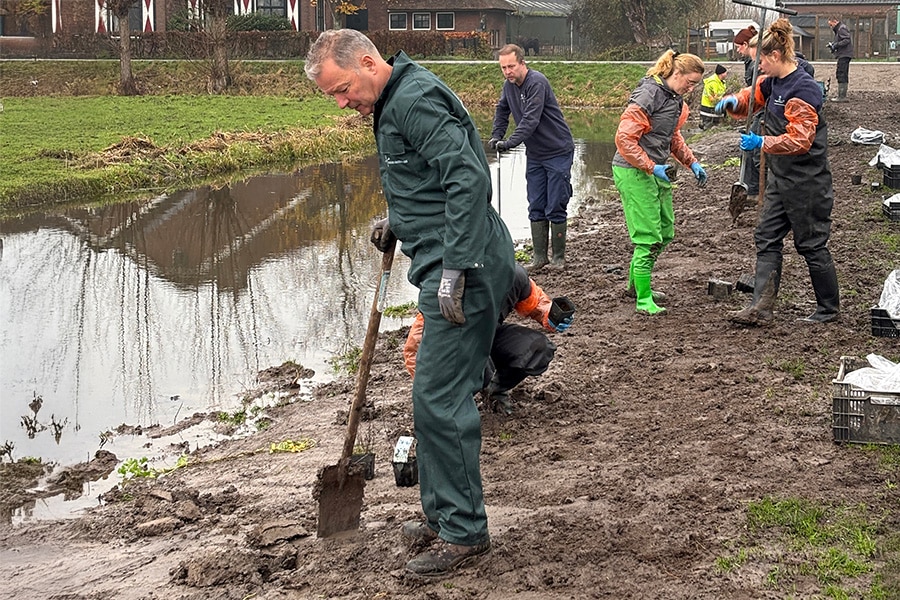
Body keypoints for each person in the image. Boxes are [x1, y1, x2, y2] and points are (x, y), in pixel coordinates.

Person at [305, 29, 516, 576]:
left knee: (439, 397)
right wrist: (397, 220)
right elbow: (427, 180)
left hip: (463, 266)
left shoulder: (414, 100)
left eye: (343, 88)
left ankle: (464, 532)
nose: (341, 102)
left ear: (370, 62)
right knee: (432, 392)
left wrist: (455, 269)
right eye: (333, 95)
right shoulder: (394, 98)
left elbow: (468, 177)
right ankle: (443, 516)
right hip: (445, 257)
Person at [716, 18, 839, 326]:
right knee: (766, 236)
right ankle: (761, 307)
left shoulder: (803, 90)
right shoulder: (773, 82)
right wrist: (735, 102)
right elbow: (753, 96)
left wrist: (762, 141)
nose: (759, 70)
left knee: (811, 243)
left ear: (773, 56)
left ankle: (828, 308)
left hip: (806, 181)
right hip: (780, 179)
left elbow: (800, 139)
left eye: (762, 62)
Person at [400, 264, 574, 415]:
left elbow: (536, 304)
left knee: (539, 348)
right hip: (456, 346)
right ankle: (462, 399)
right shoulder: (452, 286)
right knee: (474, 362)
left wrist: (550, 315)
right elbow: (416, 347)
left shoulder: (513, 275)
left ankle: (495, 389)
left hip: (490, 336)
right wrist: (430, 393)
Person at [611, 49, 708, 316]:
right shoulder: (648, 95)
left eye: (695, 85)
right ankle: (643, 299)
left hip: (656, 169)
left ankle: (635, 286)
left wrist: (692, 162)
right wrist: (651, 167)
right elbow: (624, 140)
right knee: (648, 237)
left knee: (666, 232)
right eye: (689, 82)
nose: (691, 89)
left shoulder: (673, 97)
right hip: (634, 171)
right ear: (676, 73)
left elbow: (671, 135)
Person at [489, 44, 575, 271]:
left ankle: (558, 258)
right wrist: (496, 135)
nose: (507, 72)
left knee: (555, 202)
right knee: (536, 202)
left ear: (522, 63)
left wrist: (510, 142)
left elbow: (530, 120)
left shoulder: (537, 82)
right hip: (535, 154)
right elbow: (501, 111)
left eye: (511, 66)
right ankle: (539, 258)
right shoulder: (508, 87)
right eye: (503, 67)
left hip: (558, 150)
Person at [827, 17, 853, 102]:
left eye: (831, 25)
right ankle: (841, 95)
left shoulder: (841, 29)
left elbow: (846, 40)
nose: (831, 27)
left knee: (841, 73)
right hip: (844, 54)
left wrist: (836, 45)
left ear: (835, 21)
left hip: (844, 55)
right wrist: (833, 45)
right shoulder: (841, 28)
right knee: (842, 73)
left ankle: (842, 96)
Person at [699, 64, 728, 130]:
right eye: (725, 72)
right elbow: (713, 98)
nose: (727, 74)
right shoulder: (712, 82)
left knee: (716, 124)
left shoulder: (721, 82)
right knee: (709, 125)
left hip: (716, 106)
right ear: (721, 74)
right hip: (709, 107)